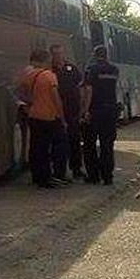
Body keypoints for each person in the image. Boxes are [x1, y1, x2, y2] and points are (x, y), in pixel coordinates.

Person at [19, 49, 67, 188]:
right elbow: (55, 97)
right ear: (45, 60)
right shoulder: (49, 75)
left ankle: (37, 176)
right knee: (49, 147)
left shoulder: (28, 75)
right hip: (49, 116)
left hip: (33, 115)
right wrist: (61, 116)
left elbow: (22, 93)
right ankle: (47, 178)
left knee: (36, 147)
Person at [82, 45, 120, 185]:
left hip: (95, 110)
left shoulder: (91, 69)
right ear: (106, 55)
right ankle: (108, 176)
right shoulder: (114, 69)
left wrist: (85, 110)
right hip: (110, 110)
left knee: (90, 144)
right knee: (107, 144)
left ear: (94, 54)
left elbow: (89, 90)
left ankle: (94, 176)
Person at [50, 44, 84, 180]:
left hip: (72, 109)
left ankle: (76, 169)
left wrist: (82, 107)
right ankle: (60, 173)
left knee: (74, 140)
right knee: (59, 142)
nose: (58, 56)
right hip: (56, 110)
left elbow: (80, 86)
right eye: (55, 54)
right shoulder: (50, 71)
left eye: (60, 53)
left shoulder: (71, 69)